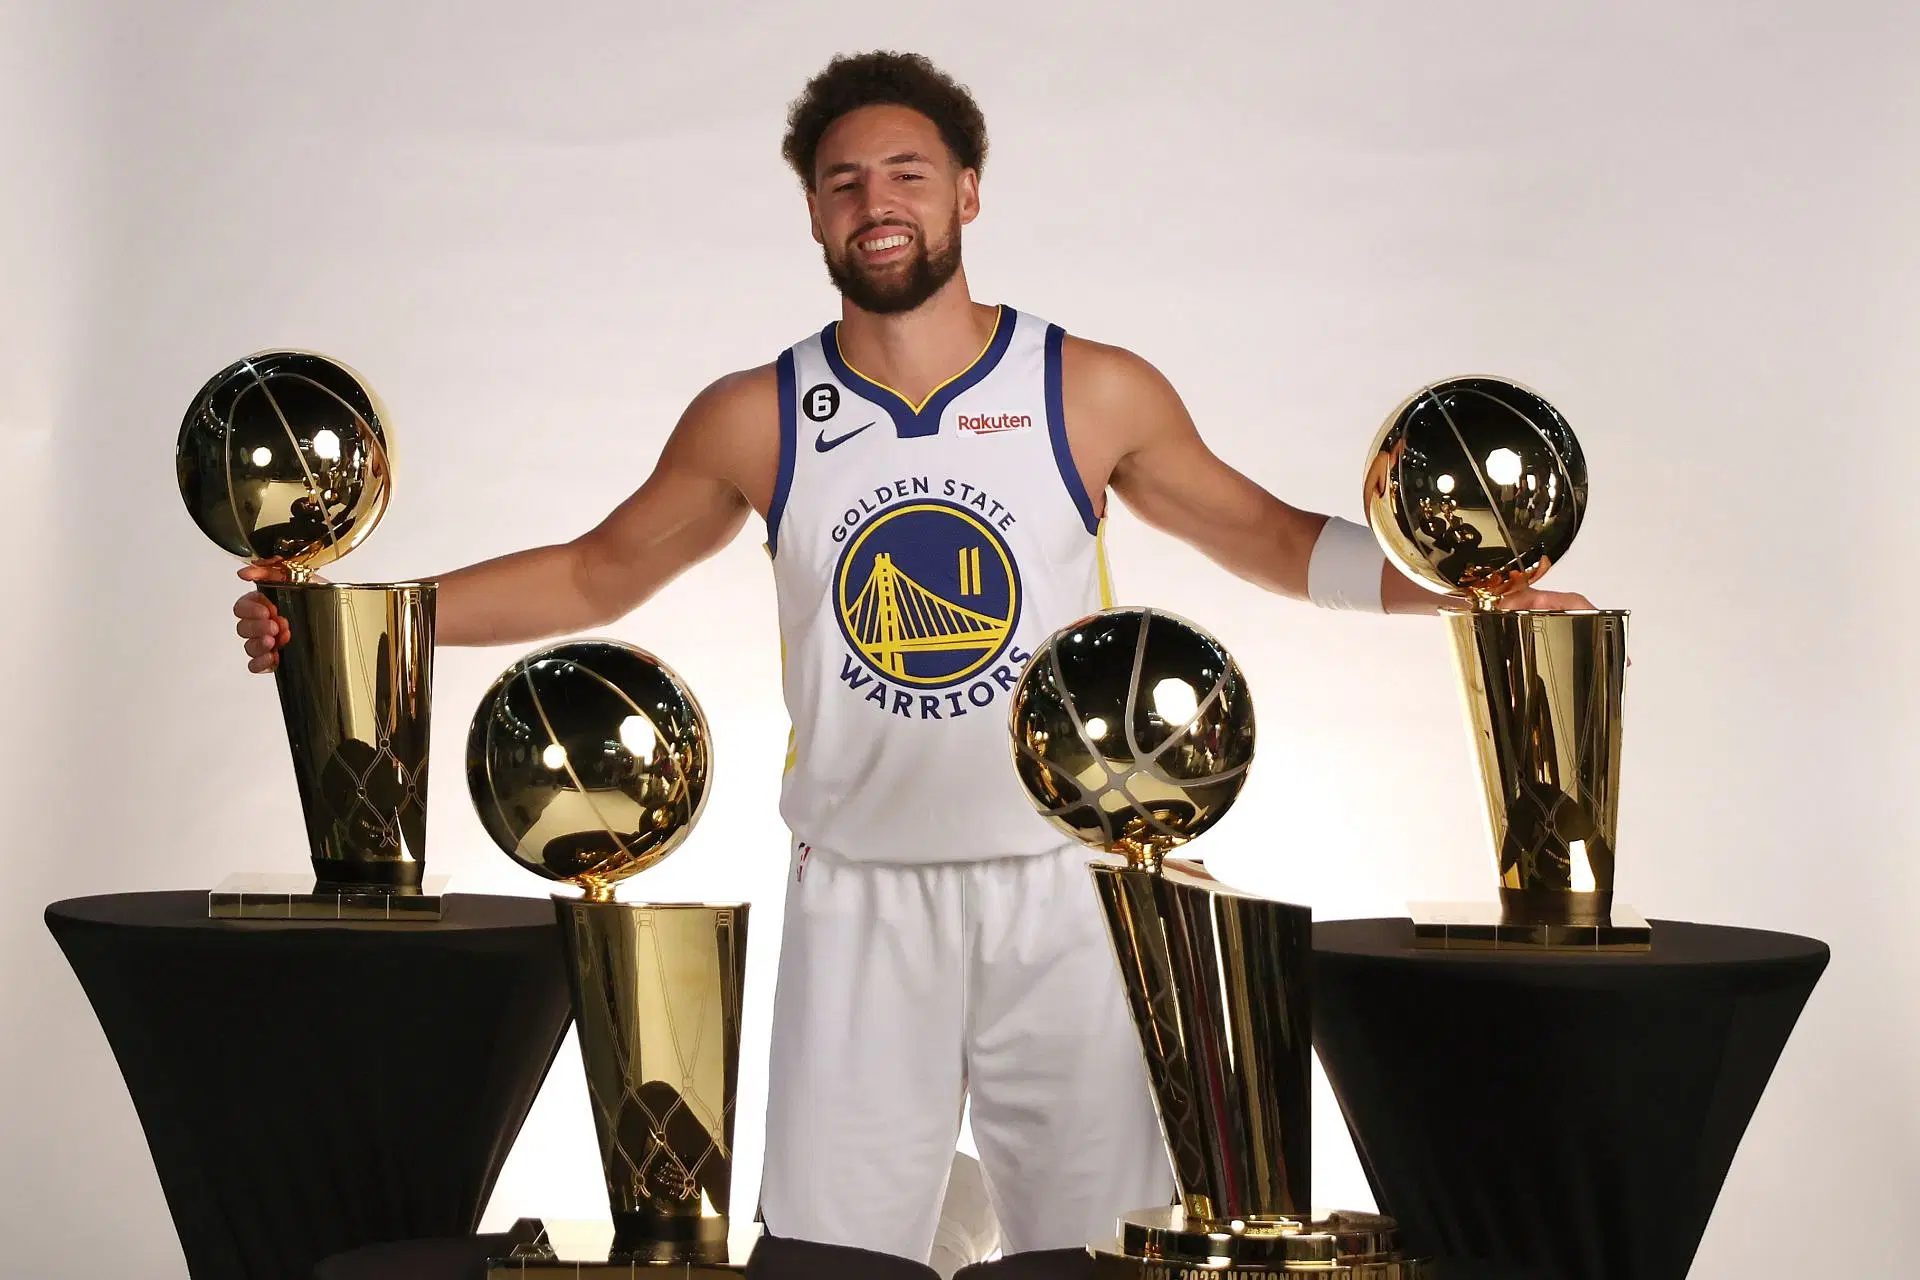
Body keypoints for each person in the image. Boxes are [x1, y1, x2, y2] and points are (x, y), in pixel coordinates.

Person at [232, 51, 1592, 1279]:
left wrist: (1465, 603)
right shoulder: (761, 414)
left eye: (908, 173)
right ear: (815, 216)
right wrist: (361, 617)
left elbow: (1267, 535)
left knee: (1094, 1252)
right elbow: (599, 571)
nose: (877, 201)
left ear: (969, 192)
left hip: (1068, 894)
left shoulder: (1086, 387)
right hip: (860, 894)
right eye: (844, 182)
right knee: (833, 1258)